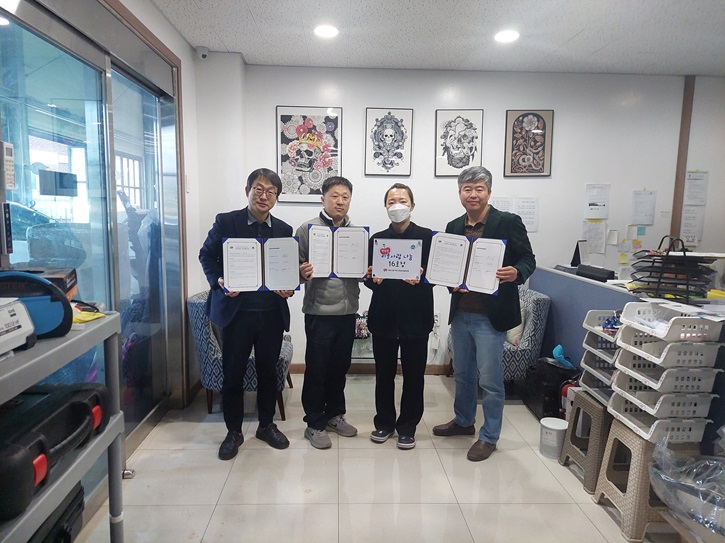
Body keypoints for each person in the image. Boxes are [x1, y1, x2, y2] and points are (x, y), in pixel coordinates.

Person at [433, 166, 535, 461]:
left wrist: (516, 272)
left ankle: (489, 436)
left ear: (489, 192)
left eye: (479, 188)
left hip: (491, 317)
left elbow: (528, 258)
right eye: (467, 189)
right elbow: (448, 265)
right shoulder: (453, 226)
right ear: (460, 194)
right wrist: (449, 281)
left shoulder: (508, 222)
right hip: (461, 313)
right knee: (463, 375)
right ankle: (464, 421)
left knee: (489, 380)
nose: (473, 194)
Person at [199, 168, 294, 460]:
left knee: (268, 373)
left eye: (271, 192)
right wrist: (219, 280)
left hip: (271, 315)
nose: (264, 196)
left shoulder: (284, 230)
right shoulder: (226, 221)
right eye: (258, 189)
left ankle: (266, 425)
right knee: (233, 375)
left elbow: (288, 268)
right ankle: (234, 432)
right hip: (236, 314)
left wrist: (289, 286)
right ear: (247, 191)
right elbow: (206, 255)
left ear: (277, 197)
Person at [364, 183, 434, 450]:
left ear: (412, 206)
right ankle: (384, 423)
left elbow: (438, 275)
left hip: (416, 319)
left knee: (414, 377)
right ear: (385, 206)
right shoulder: (377, 239)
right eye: (391, 201)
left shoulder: (427, 238)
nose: (397, 206)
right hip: (383, 318)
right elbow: (368, 279)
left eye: (402, 201)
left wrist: (423, 276)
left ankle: (408, 427)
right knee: (383, 375)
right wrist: (372, 278)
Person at [297, 176, 360, 449]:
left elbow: (363, 270)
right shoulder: (307, 229)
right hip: (319, 312)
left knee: (339, 368)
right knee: (317, 369)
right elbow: (293, 270)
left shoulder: (356, 233)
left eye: (345, 197)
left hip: (347, 312)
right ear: (323, 199)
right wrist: (301, 272)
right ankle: (314, 422)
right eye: (335, 196)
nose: (340, 201)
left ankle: (335, 415)